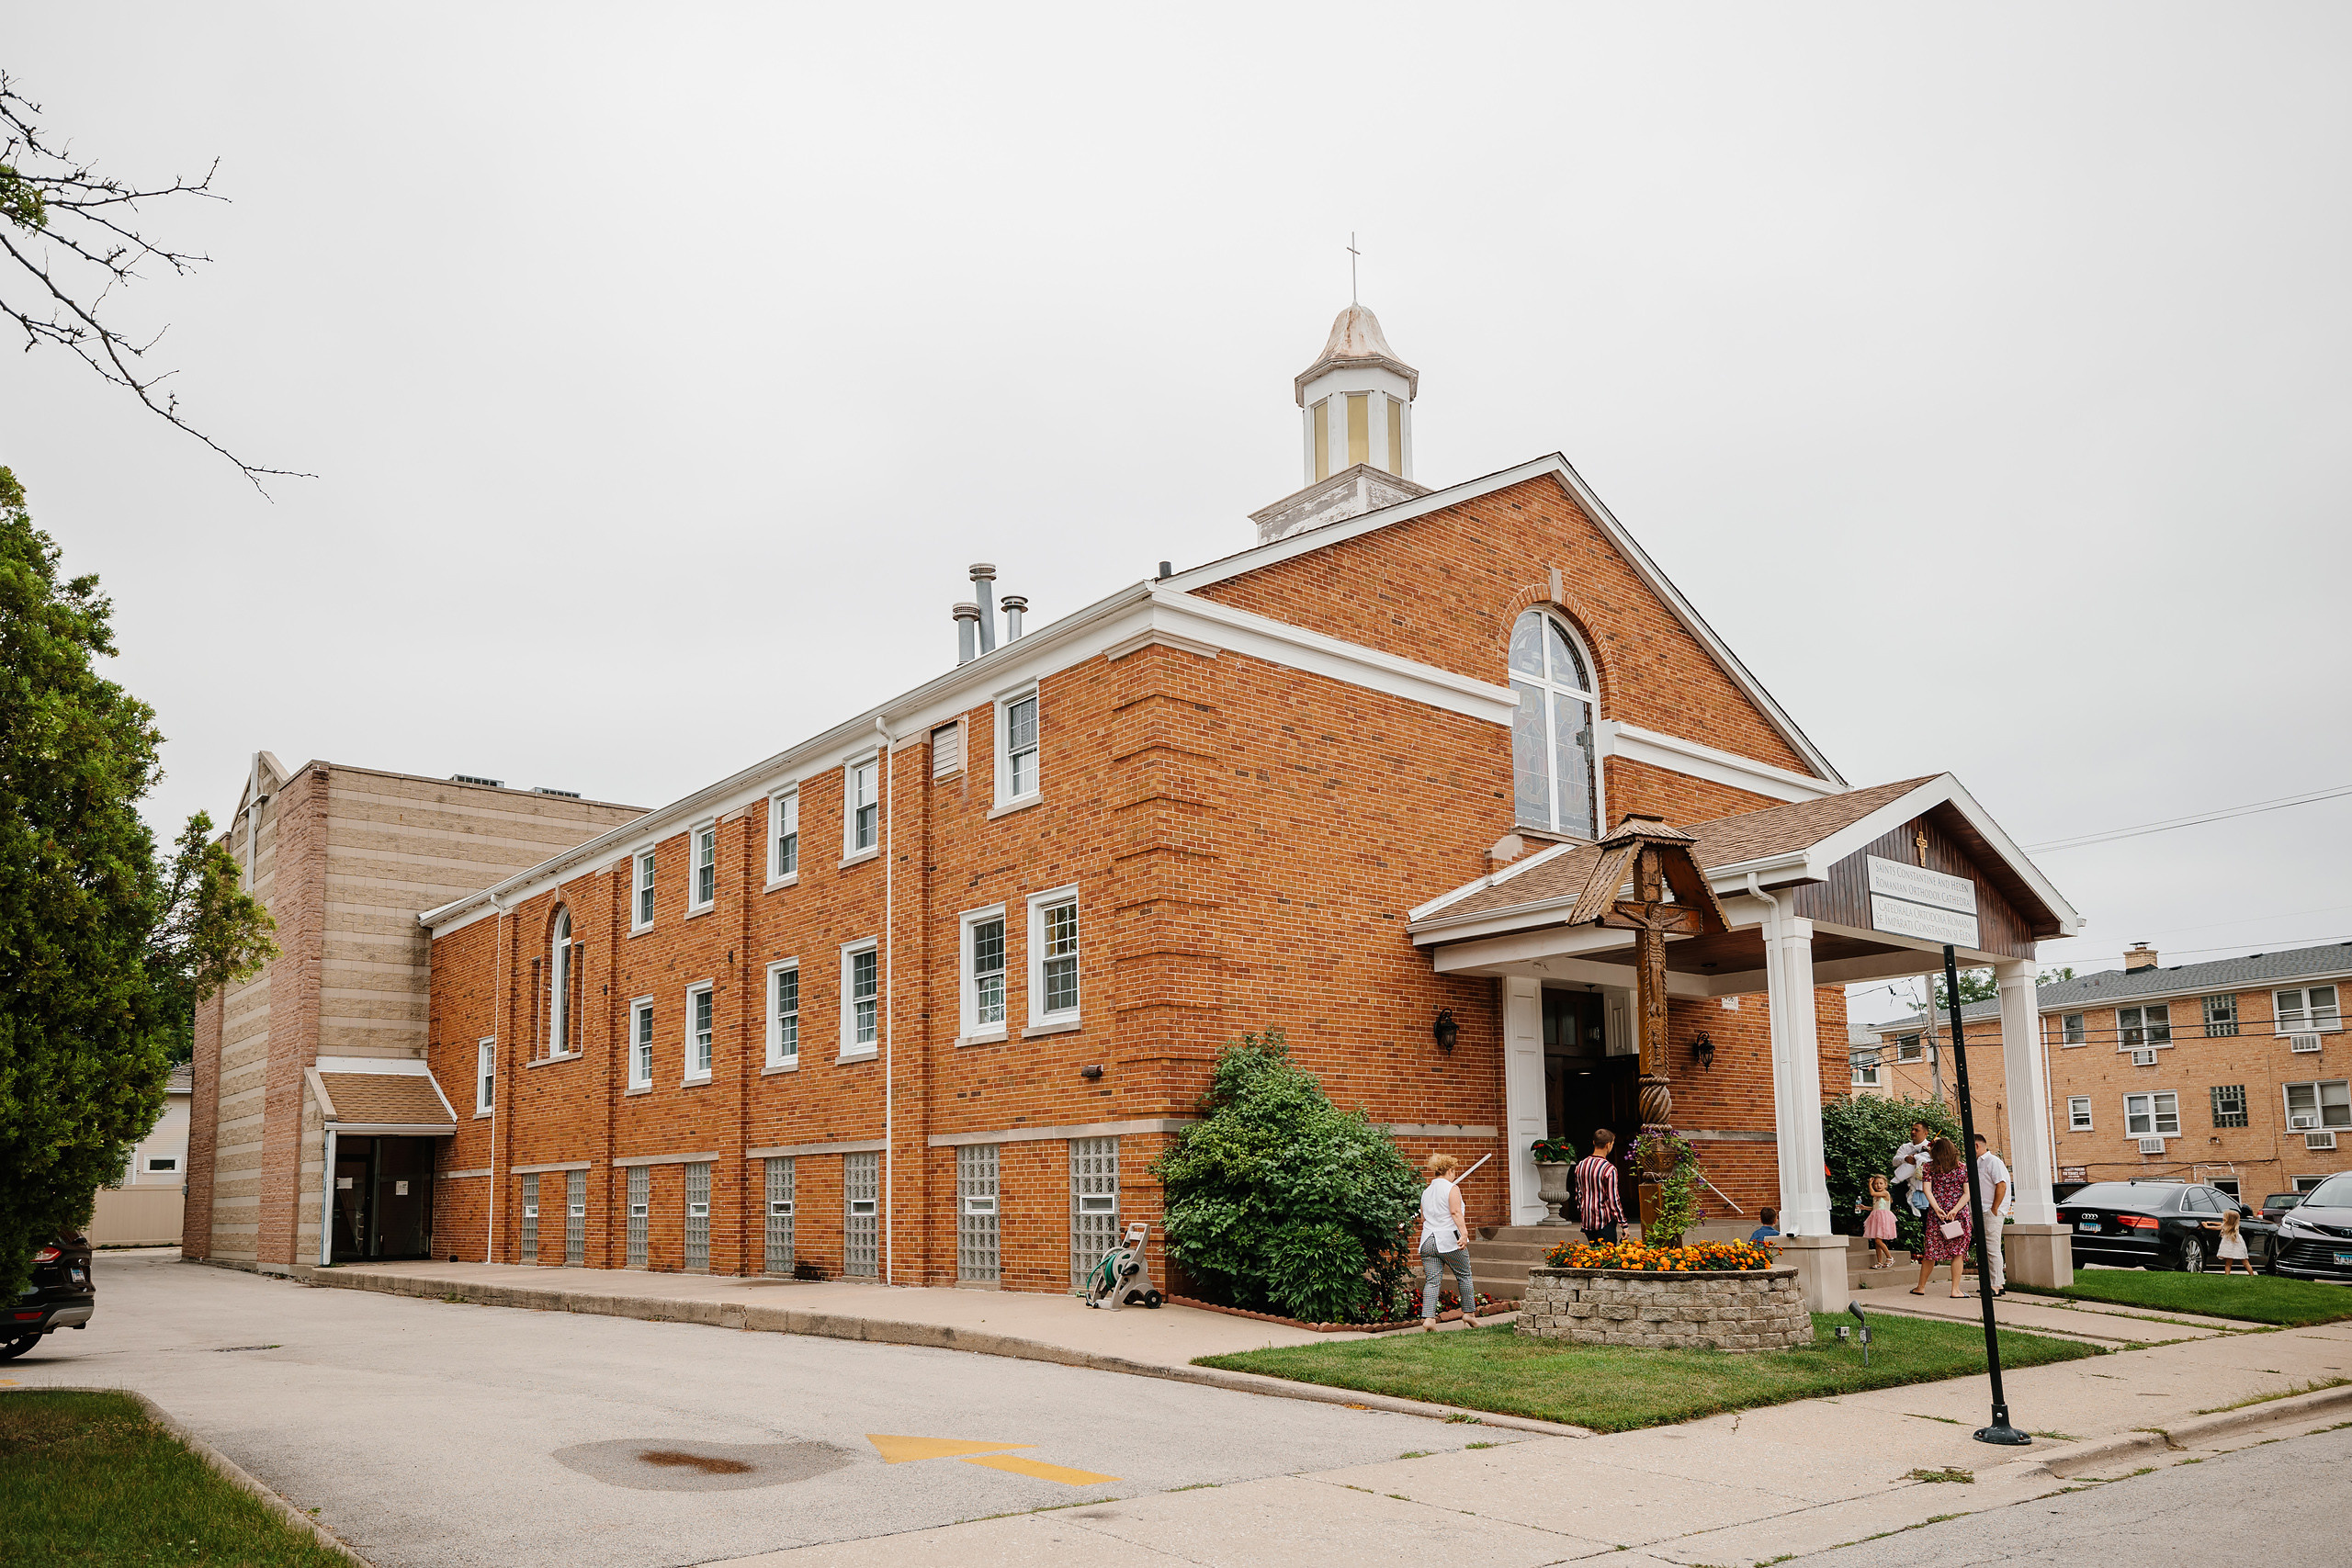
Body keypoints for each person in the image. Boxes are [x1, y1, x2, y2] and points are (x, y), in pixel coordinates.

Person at [1419, 1154, 1475, 1332]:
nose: (1454, 1174)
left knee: (1432, 1281)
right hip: (1448, 1240)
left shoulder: (1426, 1192)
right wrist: (1464, 1234)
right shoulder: (1452, 1188)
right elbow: (1455, 1212)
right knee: (1464, 1275)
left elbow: (1422, 1218)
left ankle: (1428, 1319)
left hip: (1427, 1240)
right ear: (1449, 1170)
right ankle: (1469, 1314)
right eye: (1454, 1171)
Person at [1913, 1136, 1973, 1298]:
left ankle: (1921, 1287)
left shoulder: (1928, 1168)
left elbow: (1927, 1190)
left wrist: (1937, 1208)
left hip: (1936, 1215)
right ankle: (1955, 1290)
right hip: (1958, 1215)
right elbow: (1967, 1193)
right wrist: (1955, 1210)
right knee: (1958, 1252)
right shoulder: (1962, 1168)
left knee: (1930, 1251)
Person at [1973, 1134, 2011, 1295]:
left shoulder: (1993, 1161)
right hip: (1979, 1210)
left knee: (1992, 1248)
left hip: (1990, 1211)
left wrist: (1994, 1208)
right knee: (1984, 1249)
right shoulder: (1976, 1163)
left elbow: (2001, 1185)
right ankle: (1993, 1282)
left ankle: (1995, 1285)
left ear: (1976, 1146)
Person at [1575, 1130, 1624, 1246]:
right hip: (1604, 1221)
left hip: (1587, 1221)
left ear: (1594, 1142)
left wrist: (1583, 1213)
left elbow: (1578, 1194)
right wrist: (1623, 1224)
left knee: (1593, 1258)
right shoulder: (1609, 1169)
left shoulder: (1580, 1165)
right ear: (1608, 1144)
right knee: (1607, 1258)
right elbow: (1613, 1199)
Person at [1891, 1121, 1934, 1216]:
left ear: (1925, 1133)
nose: (1913, 1132)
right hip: (1905, 1185)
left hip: (1925, 1186)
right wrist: (1905, 1158)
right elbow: (1894, 1161)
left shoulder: (1932, 1147)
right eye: (1912, 1129)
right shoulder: (1905, 1147)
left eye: (1916, 1130)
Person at [1862, 1173, 1897, 1269]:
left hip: (1883, 1219)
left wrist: (1869, 1184)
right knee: (1877, 1240)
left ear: (1885, 1185)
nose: (1878, 1185)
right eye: (1876, 1184)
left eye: (1881, 1183)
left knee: (1878, 1240)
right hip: (1876, 1218)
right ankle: (1879, 1262)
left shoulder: (1885, 1193)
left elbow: (1872, 1193)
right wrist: (1865, 1208)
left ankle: (1890, 1257)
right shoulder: (1876, 1196)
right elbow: (1875, 1208)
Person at [2217, 1208, 2255, 1275]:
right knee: (2244, 1261)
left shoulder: (2227, 1227)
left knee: (2231, 1262)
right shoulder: (2231, 1226)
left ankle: (2228, 1275)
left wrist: (2206, 1226)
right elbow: (2219, 1224)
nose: (2223, 1218)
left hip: (2232, 1245)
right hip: (2236, 1245)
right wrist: (2210, 1222)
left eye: (2225, 1217)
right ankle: (2251, 1274)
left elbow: (2218, 1227)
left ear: (2229, 1220)